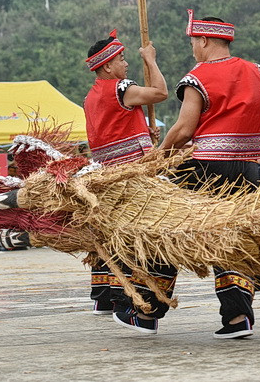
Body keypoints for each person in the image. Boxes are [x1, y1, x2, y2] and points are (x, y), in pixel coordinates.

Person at [160, 10, 260, 339]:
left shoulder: (198, 76)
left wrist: (160, 154)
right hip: (251, 168)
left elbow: (184, 128)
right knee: (237, 237)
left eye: (194, 41)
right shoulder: (254, 70)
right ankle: (238, 315)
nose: (193, 48)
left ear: (204, 40)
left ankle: (148, 306)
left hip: (208, 168)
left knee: (168, 226)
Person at [81, 29, 173, 331]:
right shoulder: (121, 88)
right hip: (136, 181)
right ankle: (140, 307)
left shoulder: (91, 97)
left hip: (109, 181)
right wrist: (151, 60)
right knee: (145, 241)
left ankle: (110, 299)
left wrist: (144, 134)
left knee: (120, 240)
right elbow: (160, 92)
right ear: (107, 67)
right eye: (121, 59)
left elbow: (112, 132)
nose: (126, 63)